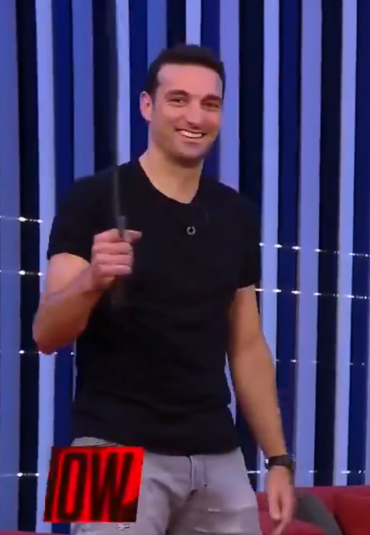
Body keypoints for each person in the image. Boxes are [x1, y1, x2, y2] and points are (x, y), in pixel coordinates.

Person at [33, 44, 295, 535]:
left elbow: (246, 344)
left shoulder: (236, 214)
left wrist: (279, 459)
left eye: (210, 104)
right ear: (147, 105)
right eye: (178, 99)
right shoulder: (91, 196)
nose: (195, 116)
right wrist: (92, 281)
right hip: (102, 447)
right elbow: (45, 334)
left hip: (217, 452)